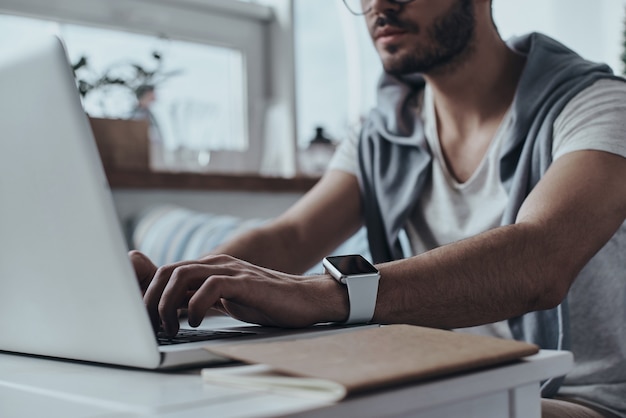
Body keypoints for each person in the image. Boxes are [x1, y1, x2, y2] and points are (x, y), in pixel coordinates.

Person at [130, 0, 626, 416]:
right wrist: (187, 282)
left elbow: (540, 259)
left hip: (581, 400)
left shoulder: (597, 106)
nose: (379, 6)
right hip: (447, 377)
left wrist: (331, 295)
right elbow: (291, 237)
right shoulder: (383, 131)